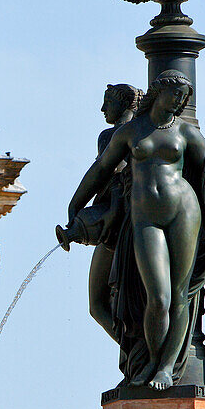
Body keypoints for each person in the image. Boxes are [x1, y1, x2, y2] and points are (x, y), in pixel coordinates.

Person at [66, 70, 205, 390]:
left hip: (184, 212)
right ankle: (148, 361)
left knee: (181, 295)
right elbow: (101, 169)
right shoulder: (130, 132)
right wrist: (76, 204)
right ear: (159, 92)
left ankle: (166, 368)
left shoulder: (185, 132)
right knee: (158, 295)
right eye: (176, 96)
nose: (180, 103)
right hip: (146, 218)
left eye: (185, 99)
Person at [56, 84, 142, 368]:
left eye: (107, 103)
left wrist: (76, 208)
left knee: (98, 305)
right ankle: (140, 351)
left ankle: (136, 351)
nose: (103, 109)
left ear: (123, 104)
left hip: (113, 226)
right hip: (134, 219)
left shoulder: (111, 135)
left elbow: (102, 172)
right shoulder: (145, 131)